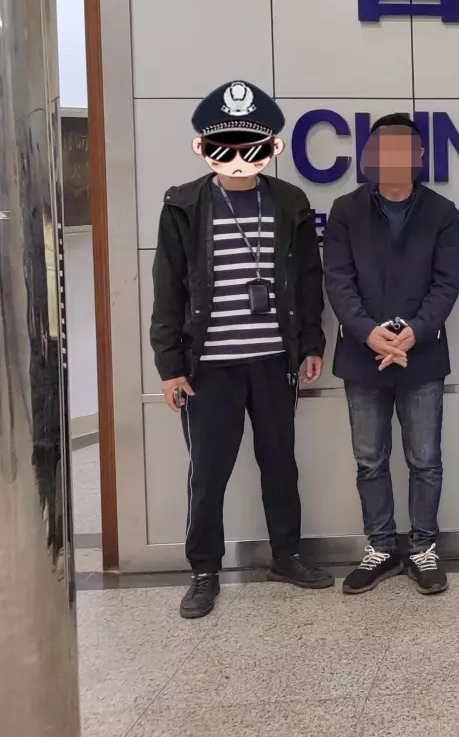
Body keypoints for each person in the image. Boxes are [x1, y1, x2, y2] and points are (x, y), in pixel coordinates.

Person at [150, 80, 330, 619]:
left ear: (270, 146)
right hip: (209, 368)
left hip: (274, 360)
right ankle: (204, 570)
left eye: (250, 145)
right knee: (208, 473)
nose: (237, 157)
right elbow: (168, 288)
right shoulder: (184, 204)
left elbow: (308, 279)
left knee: (279, 464)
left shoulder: (289, 202)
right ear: (204, 147)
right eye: (224, 145)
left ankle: (287, 556)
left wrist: (311, 343)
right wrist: (170, 366)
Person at [324, 113, 459, 596]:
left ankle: (423, 548)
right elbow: (338, 280)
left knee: (425, 460)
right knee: (369, 460)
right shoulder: (345, 210)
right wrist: (370, 333)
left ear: (420, 157)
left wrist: (412, 334)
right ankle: (381, 547)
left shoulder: (442, 212)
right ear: (371, 156)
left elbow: (446, 284)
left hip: (421, 355)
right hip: (363, 355)